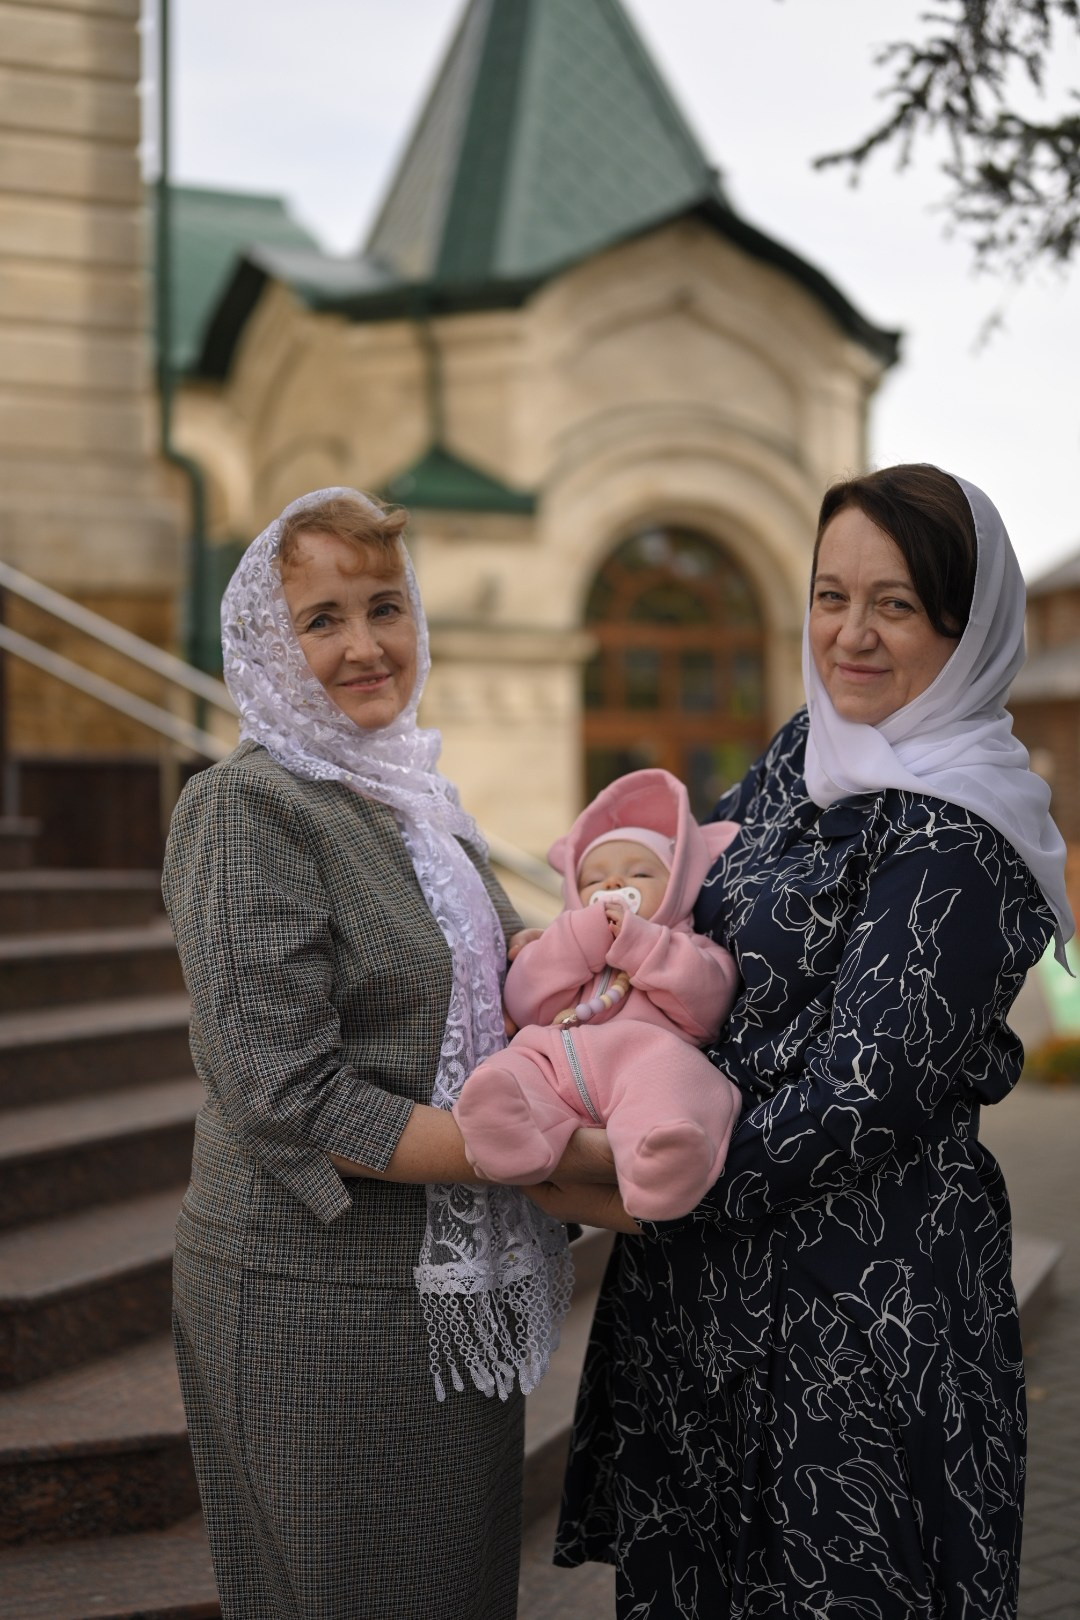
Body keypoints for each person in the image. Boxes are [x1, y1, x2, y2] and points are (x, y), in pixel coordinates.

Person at [548, 466, 1073, 1619]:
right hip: (701, 1309)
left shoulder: (964, 839)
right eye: (831, 596)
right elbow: (689, 916)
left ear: (966, 622)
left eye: (895, 604)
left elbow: (858, 1096)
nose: (852, 633)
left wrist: (624, 1166)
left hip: (856, 1322)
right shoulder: (801, 759)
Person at [163, 487, 611, 1620]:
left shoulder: (421, 803)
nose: (365, 646)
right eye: (321, 621)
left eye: (385, 607)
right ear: (267, 647)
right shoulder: (247, 807)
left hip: (438, 1303)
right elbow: (283, 1094)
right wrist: (530, 1151)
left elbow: (504, 977)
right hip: (320, 1310)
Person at [455, 768, 742, 1220]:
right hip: (559, 1054)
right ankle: (509, 1130)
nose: (612, 885)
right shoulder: (558, 941)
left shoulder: (691, 948)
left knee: (682, 1084)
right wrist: (573, 942)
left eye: (640, 872)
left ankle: (664, 1161)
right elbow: (526, 1002)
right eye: (593, 879)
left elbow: (706, 1008)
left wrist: (644, 942)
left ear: (679, 885)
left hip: (644, 1061)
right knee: (515, 1067)